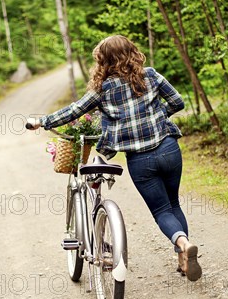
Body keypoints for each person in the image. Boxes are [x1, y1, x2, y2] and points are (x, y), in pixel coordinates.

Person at [27, 35, 202, 281]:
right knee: (174, 204)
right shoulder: (150, 75)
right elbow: (177, 102)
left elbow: (74, 110)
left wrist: (41, 121)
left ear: (104, 62)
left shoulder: (102, 90)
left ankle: (183, 244)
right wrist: (155, 117)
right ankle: (183, 256)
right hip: (169, 148)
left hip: (141, 161)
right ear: (133, 53)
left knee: (162, 210)